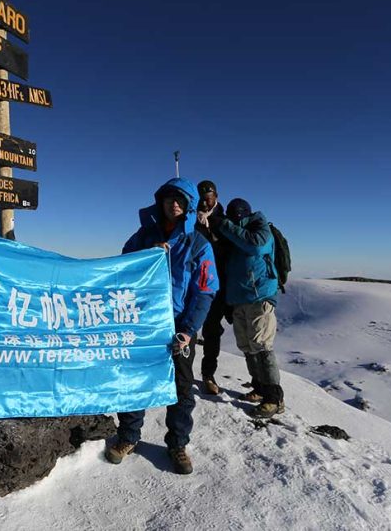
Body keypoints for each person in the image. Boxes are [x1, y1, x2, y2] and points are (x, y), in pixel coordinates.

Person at [104, 178, 217, 474]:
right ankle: (128, 436)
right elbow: (121, 271)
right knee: (133, 382)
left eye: (180, 199)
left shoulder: (198, 244)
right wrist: (147, 256)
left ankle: (177, 444)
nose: (174, 203)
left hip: (179, 328)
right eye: (168, 199)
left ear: (189, 205)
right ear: (160, 203)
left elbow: (204, 291)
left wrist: (189, 330)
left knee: (181, 388)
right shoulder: (142, 237)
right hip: (142, 325)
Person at [211, 198, 284, 418]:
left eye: (235, 216)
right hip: (239, 299)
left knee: (262, 347)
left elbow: (256, 245)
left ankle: (274, 399)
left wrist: (224, 225)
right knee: (248, 347)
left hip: (259, 297)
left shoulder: (259, 227)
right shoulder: (232, 235)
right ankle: (260, 388)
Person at [194, 180, 231, 396]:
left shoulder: (224, 222)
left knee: (211, 331)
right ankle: (180, 374)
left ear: (216, 196)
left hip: (215, 286)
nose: (205, 201)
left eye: (208, 197)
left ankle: (208, 375)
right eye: (202, 197)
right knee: (184, 328)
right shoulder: (191, 219)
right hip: (193, 282)